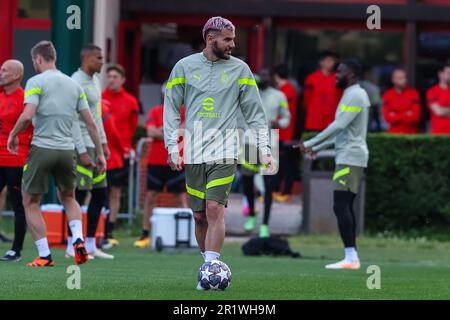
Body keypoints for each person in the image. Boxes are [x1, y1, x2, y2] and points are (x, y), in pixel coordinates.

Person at [164, 16, 275, 290]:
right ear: (210, 38)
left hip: (225, 151)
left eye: (233, 39)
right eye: (227, 39)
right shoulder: (184, 67)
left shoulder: (241, 70)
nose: (232, 44)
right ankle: (207, 268)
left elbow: (255, 114)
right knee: (199, 215)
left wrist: (265, 149)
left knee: (215, 209)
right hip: (193, 151)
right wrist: (171, 147)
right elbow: (170, 110)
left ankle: (212, 267)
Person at [7, 41, 106, 267]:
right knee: (69, 197)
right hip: (67, 150)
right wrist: (100, 153)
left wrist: (13, 134)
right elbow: (90, 123)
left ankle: (44, 254)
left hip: (42, 147)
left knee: (30, 201)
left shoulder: (36, 81)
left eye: (34, 61)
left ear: (38, 59)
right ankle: (78, 241)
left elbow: (27, 114)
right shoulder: (73, 85)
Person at [296, 59, 370, 270]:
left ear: (352, 75)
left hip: (350, 158)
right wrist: (317, 148)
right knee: (344, 206)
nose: (336, 75)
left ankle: (351, 258)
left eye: (340, 72)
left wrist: (310, 143)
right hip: (348, 157)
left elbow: (339, 125)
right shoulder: (351, 93)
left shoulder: (356, 94)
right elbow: (344, 131)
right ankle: (351, 256)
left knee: (341, 205)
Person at [67, 44, 113, 259]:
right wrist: (82, 149)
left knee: (100, 193)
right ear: (86, 59)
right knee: (78, 194)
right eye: (99, 58)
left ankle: (92, 243)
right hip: (82, 147)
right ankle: (71, 245)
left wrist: (103, 144)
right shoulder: (75, 82)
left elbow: (96, 118)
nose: (102, 62)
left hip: (95, 146)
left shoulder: (94, 80)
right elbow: (75, 121)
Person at [134, 84, 187, 248]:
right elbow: (150, 132)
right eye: (166, 93)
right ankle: (145, 234)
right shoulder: (155, 111)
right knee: (151, 196)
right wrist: (172, 130)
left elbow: (184, 131)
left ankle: (186, 234)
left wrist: (162, 130)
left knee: (181, 197)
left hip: (178, 159)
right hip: (156, 161)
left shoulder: (185, 111)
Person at [241, 70, 290, 237]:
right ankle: (252, 215)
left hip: (270, 145)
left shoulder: (279, 96)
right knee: (247, 182)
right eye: (260, 75)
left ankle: (265, 225)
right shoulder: (249, 94)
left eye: (267, 75)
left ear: (272, 78)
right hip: (250, 143)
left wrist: (279, 122)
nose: (263, 78)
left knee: (269, 185)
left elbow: (286, 118)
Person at [102, 64, 140, 248]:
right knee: (95, 192)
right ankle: (92, 230)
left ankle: (109, 231)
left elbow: (132, 128)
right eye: (109, 76)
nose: (111, 80)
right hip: (101, 154)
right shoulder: (101, 98)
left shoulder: (130, 101)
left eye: (115, 77)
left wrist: (126, 148)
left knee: (115, 193)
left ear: (123, 79)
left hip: (120, 154)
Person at [0, 60, 31, 261]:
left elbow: (33, 125)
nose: (0, 72)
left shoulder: (26, 98)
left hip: (16, 160)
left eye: (4, 70)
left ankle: (16, 250)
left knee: (19, 204)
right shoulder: (1, 96)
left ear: (16, 76)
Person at [273, 64, 299, 202]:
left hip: (285, 132)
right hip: (282, 132)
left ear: (276, 76)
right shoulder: (287, 89)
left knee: (286, 163)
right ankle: (279, 190)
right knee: (282, 163)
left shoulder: (285, 91)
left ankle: (285, 192)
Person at [303, 51, 342, 131]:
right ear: (321, 62)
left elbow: (340, 98)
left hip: (331, 119)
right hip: (314, 119)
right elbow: (306, 99)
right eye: (329, 61)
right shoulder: (312, 78)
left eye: (333, 61)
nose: (332, 63)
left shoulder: (338, 78)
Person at [382, 68, 421, 134]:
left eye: (405, 77)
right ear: (393, 80)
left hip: (411, 134)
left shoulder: (414, 93)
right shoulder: (387, 95)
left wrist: (395, 114)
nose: (404, 80)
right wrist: (407, 113)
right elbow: (387, 117)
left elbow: (416, 116)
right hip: (394, 135)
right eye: (400, 78)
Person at [426, 64, 450, 135]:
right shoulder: (432, 91)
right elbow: (438, 111)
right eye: (448, 73)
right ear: (440, 74)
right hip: (438, 135)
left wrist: (444, 110)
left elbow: (441, 111)